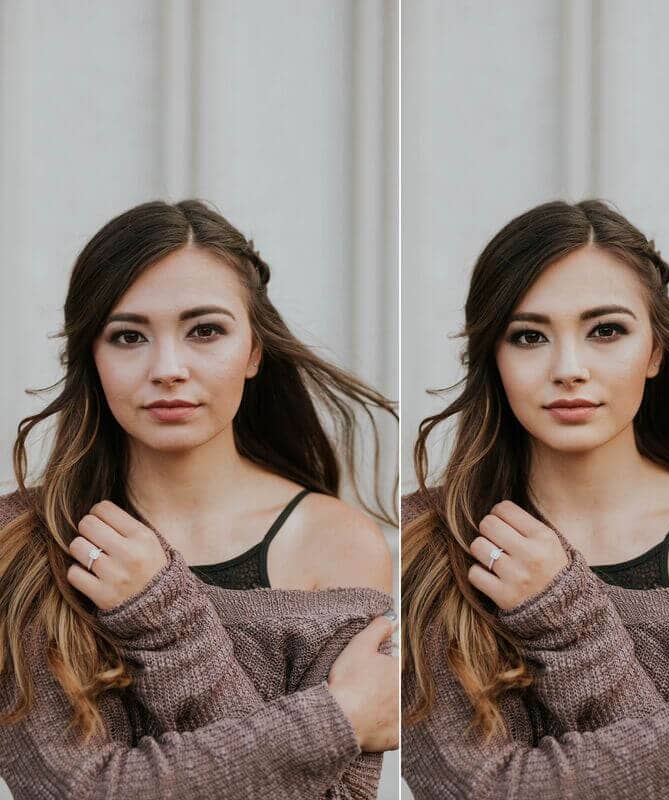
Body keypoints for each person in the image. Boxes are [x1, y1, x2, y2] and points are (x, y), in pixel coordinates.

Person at [402, 198, 669, 798]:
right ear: (495, 357)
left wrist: (567, 621)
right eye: (529, 336)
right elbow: (479, 790)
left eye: (606, 331)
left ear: (656, 350)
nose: (569, 368)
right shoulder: (432, 536)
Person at [0, 199, 398, 799]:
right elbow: (77, 791)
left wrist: (162, 617)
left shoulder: (337, 544)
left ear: (255, 350)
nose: (167, 368)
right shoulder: (24, 544)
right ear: (92, 357)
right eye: (128, 336)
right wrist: (334, 721)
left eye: (205, 330)